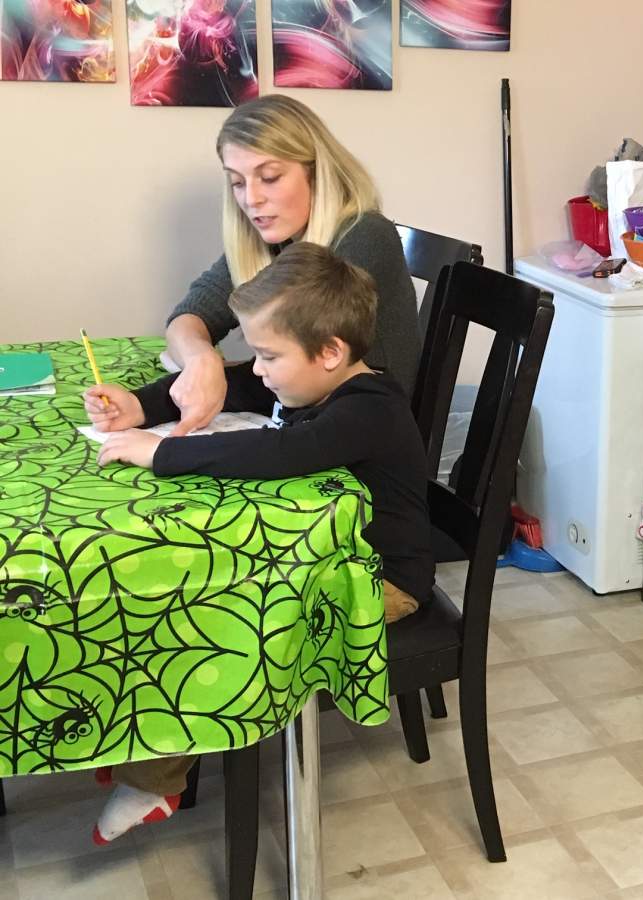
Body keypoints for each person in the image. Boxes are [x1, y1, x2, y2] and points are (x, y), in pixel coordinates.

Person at [83, 242, 432, 844]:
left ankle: (158, 777)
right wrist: (138, 406)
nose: (260, 368)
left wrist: (162, 451)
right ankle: (155, 738)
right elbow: (235, 386)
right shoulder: (304, 380)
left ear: (331, 353)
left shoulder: (368, 407)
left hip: (382, 582)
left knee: (216, 614)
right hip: (323, 558)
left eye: (270, 355)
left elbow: (278, 453)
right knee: (179, 588)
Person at [165, 94, 419, 436]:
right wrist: (200, 358)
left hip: (363, 449)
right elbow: (189, 316)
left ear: (316, 173)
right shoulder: (273, 238)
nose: (251, 199)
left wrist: (217, 375)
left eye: (269, 177)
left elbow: (303, 369)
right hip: (304, 423)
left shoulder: (365, 236)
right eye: (238, 182)